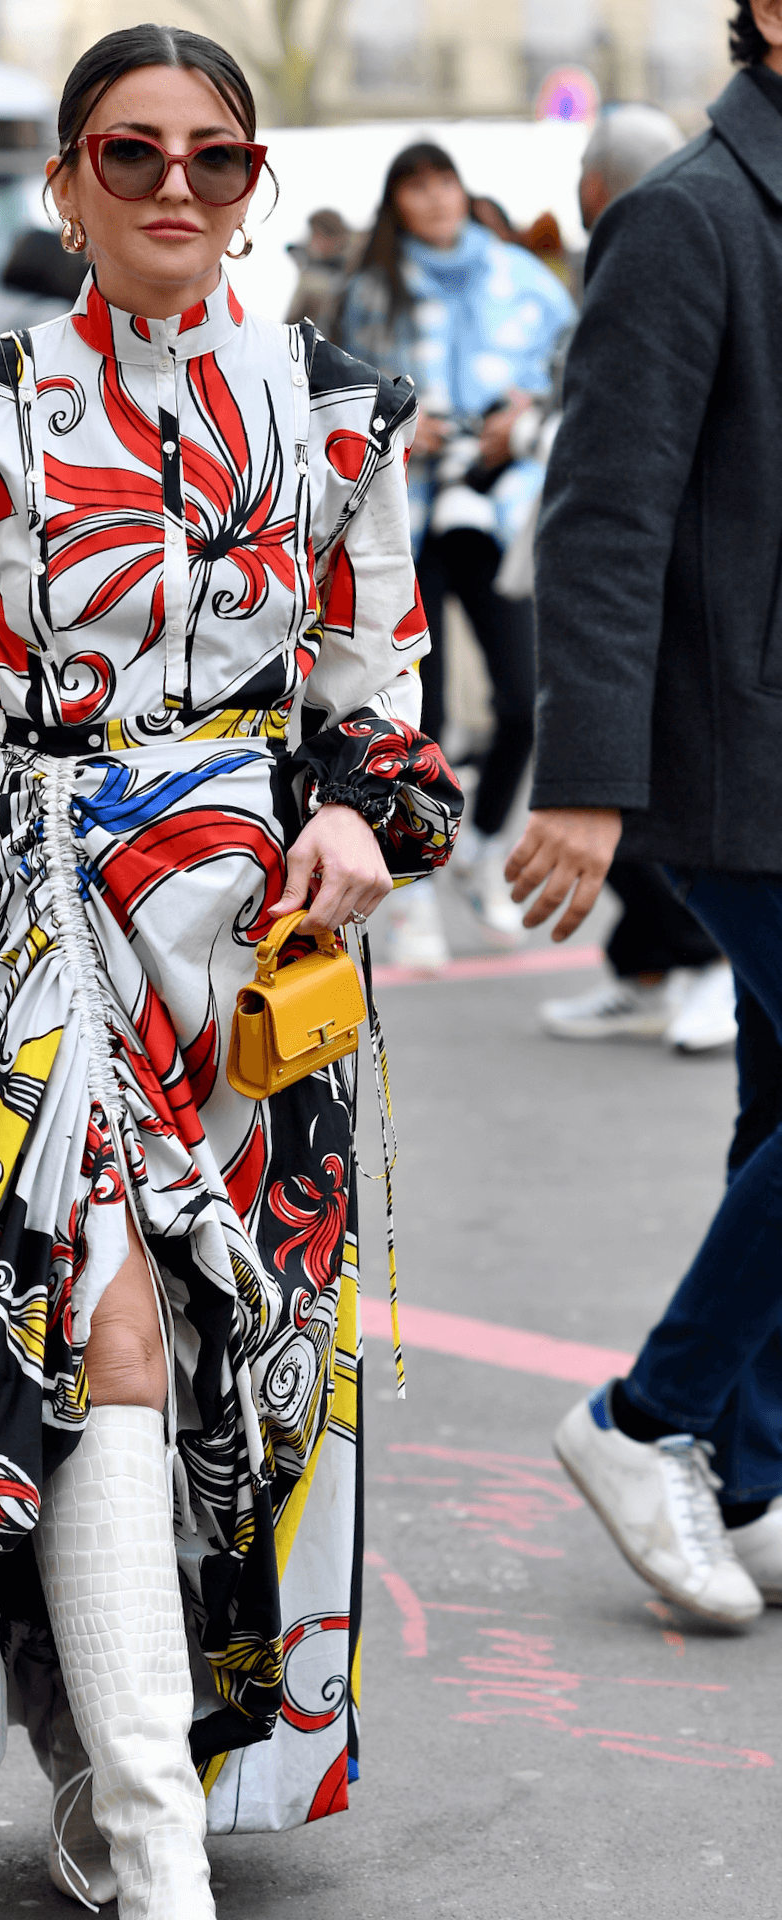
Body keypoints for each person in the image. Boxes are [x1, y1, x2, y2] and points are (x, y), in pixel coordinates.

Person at [0, 24, 460, 1915]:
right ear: (66, 186)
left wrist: (362, 822)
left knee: (231, 1385)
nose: (173, 186)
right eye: (129, 153)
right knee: (91, 1324)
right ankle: (160, 1856)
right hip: (34, 926)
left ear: (254, 186)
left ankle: (105, 1751)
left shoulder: (339, 415)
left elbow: (378, 684)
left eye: (212, 156)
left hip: (248, 949)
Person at [506, 0, 782, 1629]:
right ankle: (645, 1420)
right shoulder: (687, 213)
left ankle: (746, 1473)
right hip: (740, 753)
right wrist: (590, 781)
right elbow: (605, 511)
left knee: (776, 1115)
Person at [531, 105, 737, 1056]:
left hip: (686, 609)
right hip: (665, 605)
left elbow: (612, 502)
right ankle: (661, 966)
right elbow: (609, 498)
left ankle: (694, 964)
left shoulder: (667, 227)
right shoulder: (688, 222)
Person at [341, 144, 574, 965]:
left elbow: (577, 369)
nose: (436, 199)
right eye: (417, 186)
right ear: (396, 201)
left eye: (444, 182)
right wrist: (401, 423)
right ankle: (415, 893)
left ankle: (479, 852)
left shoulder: (523, 278)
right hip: (406, 515)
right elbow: (341, 397)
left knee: (526, 700)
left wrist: (525, 413)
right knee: (420, 715)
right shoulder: (372, 289)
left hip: (502, 505)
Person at [283, 208, 360, 335]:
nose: (313, 242)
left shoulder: (351, 275)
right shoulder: (311, 266)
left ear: (335, 238)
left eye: (317, 235)